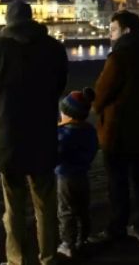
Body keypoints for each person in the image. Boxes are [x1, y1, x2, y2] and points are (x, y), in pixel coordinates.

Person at [0, 0, 68, 265]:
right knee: (45, 204)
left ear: (8, 20)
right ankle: (48, 256)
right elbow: (59, 83)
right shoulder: (53, 48)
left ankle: (17, 259)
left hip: (9, 136)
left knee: (13, 207)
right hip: (43, 134)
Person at [92, 10, 139, 243]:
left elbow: (101, 94)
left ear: (126, 31)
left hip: (117, 129)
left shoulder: (118, 58)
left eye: (113, 30)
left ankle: (117, 227)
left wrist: (96, 105)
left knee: (117, 182)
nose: (109, 35)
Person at [55, 89, 99, 259]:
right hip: (82, 175)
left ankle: (68, 243)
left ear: (69, 114)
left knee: (66, 210)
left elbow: (57, 154)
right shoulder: (88, 131)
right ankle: (83, 238)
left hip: (66, 177)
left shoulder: (64, 133)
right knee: (82, 209)